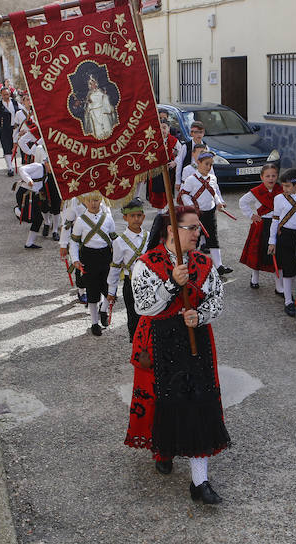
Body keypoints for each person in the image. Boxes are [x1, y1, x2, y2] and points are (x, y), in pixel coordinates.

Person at [124, 205, 229, 504]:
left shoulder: (203, 263)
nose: (199, 233)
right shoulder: (146, 264)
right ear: (172, 229)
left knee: (200, 400)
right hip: (160, 340)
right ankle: (165, 448)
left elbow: (217, 300)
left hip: (197, 339)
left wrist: (201, 314)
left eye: (199, 228)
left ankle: (200, 482)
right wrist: (172, 283)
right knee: (165, 400)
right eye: (193, 227)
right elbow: (143, 307)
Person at [68, 191, 117, 336]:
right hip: (88, 258)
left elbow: (114, 239)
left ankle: (103, 311)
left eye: (96, 200)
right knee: (92, 291)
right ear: (85, 202)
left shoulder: (108, 218)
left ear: (101, 200)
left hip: (106, 257)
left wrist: (120, 257)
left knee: (109, 289)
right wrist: (75, 259)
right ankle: (94, 323)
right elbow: (75, 242)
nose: (94, 203)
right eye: (90, 201)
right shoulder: (80, 220)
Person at [178, 151, 232, 275]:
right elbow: (184, 194)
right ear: (199, 163)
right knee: (194, 239)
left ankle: (219, 266)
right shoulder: (191, 179)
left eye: (211, 165)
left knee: (213, 238)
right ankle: (189, 265)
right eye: (206, 164)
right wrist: (190, 206)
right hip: (196, 214)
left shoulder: (212, 178)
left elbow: (214, 193)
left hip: (210, 212)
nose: (209, 167)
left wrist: (218, 203)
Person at [268, 168, 296, 316]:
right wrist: (272, 241)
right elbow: (275, 221)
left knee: (295, 268)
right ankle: (288, 301)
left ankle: (289, 293)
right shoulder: (278, 199)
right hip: (284, 236)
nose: (284, 189)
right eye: (283, 186)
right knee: (287, 269)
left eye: (287, 186)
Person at [106, 198, 149, 341]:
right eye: (132, 216)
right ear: (125, 217)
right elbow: (115, 267)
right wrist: (111, 291)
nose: (136, 219)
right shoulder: (119, 241)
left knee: (149, 315)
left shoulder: (148, 237)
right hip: (130, 284)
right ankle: (137, 346)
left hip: (148, 283)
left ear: (143, 216)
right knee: (133, 316)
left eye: (139, 215)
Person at [238, 163, 281, 290]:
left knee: (277, 254)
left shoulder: (281, 190)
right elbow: (242, 202)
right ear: (262, 177)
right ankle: (254, 277)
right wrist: (251, 215)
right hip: (262, 225)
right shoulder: (256, 191)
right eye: (267, 176)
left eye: (273, 176)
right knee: (258, 253)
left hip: (277, 224)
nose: (271, 179)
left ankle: (279, 285)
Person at [14, 148, 50, 250]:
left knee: (38, 219)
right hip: (24, 194)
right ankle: (17, 210)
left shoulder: (47, 175)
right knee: (27, 217)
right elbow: (22, 169)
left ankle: (29, 243)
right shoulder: (38, 166)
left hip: (33, 196)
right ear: (46, 163)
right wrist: (28, 180)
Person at [147, 120, 180, 210]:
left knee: (168, 189)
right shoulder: (152, 140)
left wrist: (175, 162)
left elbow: (181, 154)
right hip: (156, 169)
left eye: (164, 128)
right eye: (160, 128)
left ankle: (169, 209)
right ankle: (160, 210)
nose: (162, 130)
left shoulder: (174, 141)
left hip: (169, 168)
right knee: (158, 191)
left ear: (169, 129)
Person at [82, 74, 117, 140]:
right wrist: (89, 106)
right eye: (91, 84)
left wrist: (106, 108)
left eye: (94, 83)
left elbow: (105, 99)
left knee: (107, 128)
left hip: (103, 111)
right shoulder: (89, 94)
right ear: (89, 85)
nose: (93, 85)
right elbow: (88, 105)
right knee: (98, 131)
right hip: (94, 114)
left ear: (96, 83)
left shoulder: (101, 91)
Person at [175, 120, 206, 192]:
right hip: (188, 175)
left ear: (203, 133)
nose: (199, 135)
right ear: (191, 133)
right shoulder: (186, 146)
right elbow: (179, 163)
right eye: (196, 132)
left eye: (200, 132)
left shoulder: (205, 146)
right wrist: (178, 181)